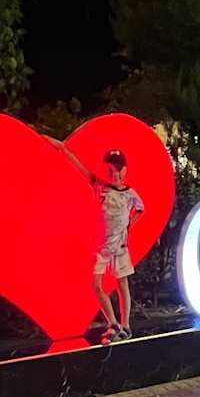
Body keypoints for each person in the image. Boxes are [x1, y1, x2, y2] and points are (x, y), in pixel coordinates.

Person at [44, 138, 144, 343]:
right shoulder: (99, 185)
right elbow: (79, 167)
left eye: (119, 170)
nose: (115, 175)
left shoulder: (130, 193)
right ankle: (113, 324)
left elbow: (141, 209)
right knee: (96, 285)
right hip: (101, 246)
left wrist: (129, 225)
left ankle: (125, 326)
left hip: (120, 247)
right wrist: (62, 148)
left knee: (122, 284)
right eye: (110, 170)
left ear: (125, 170)